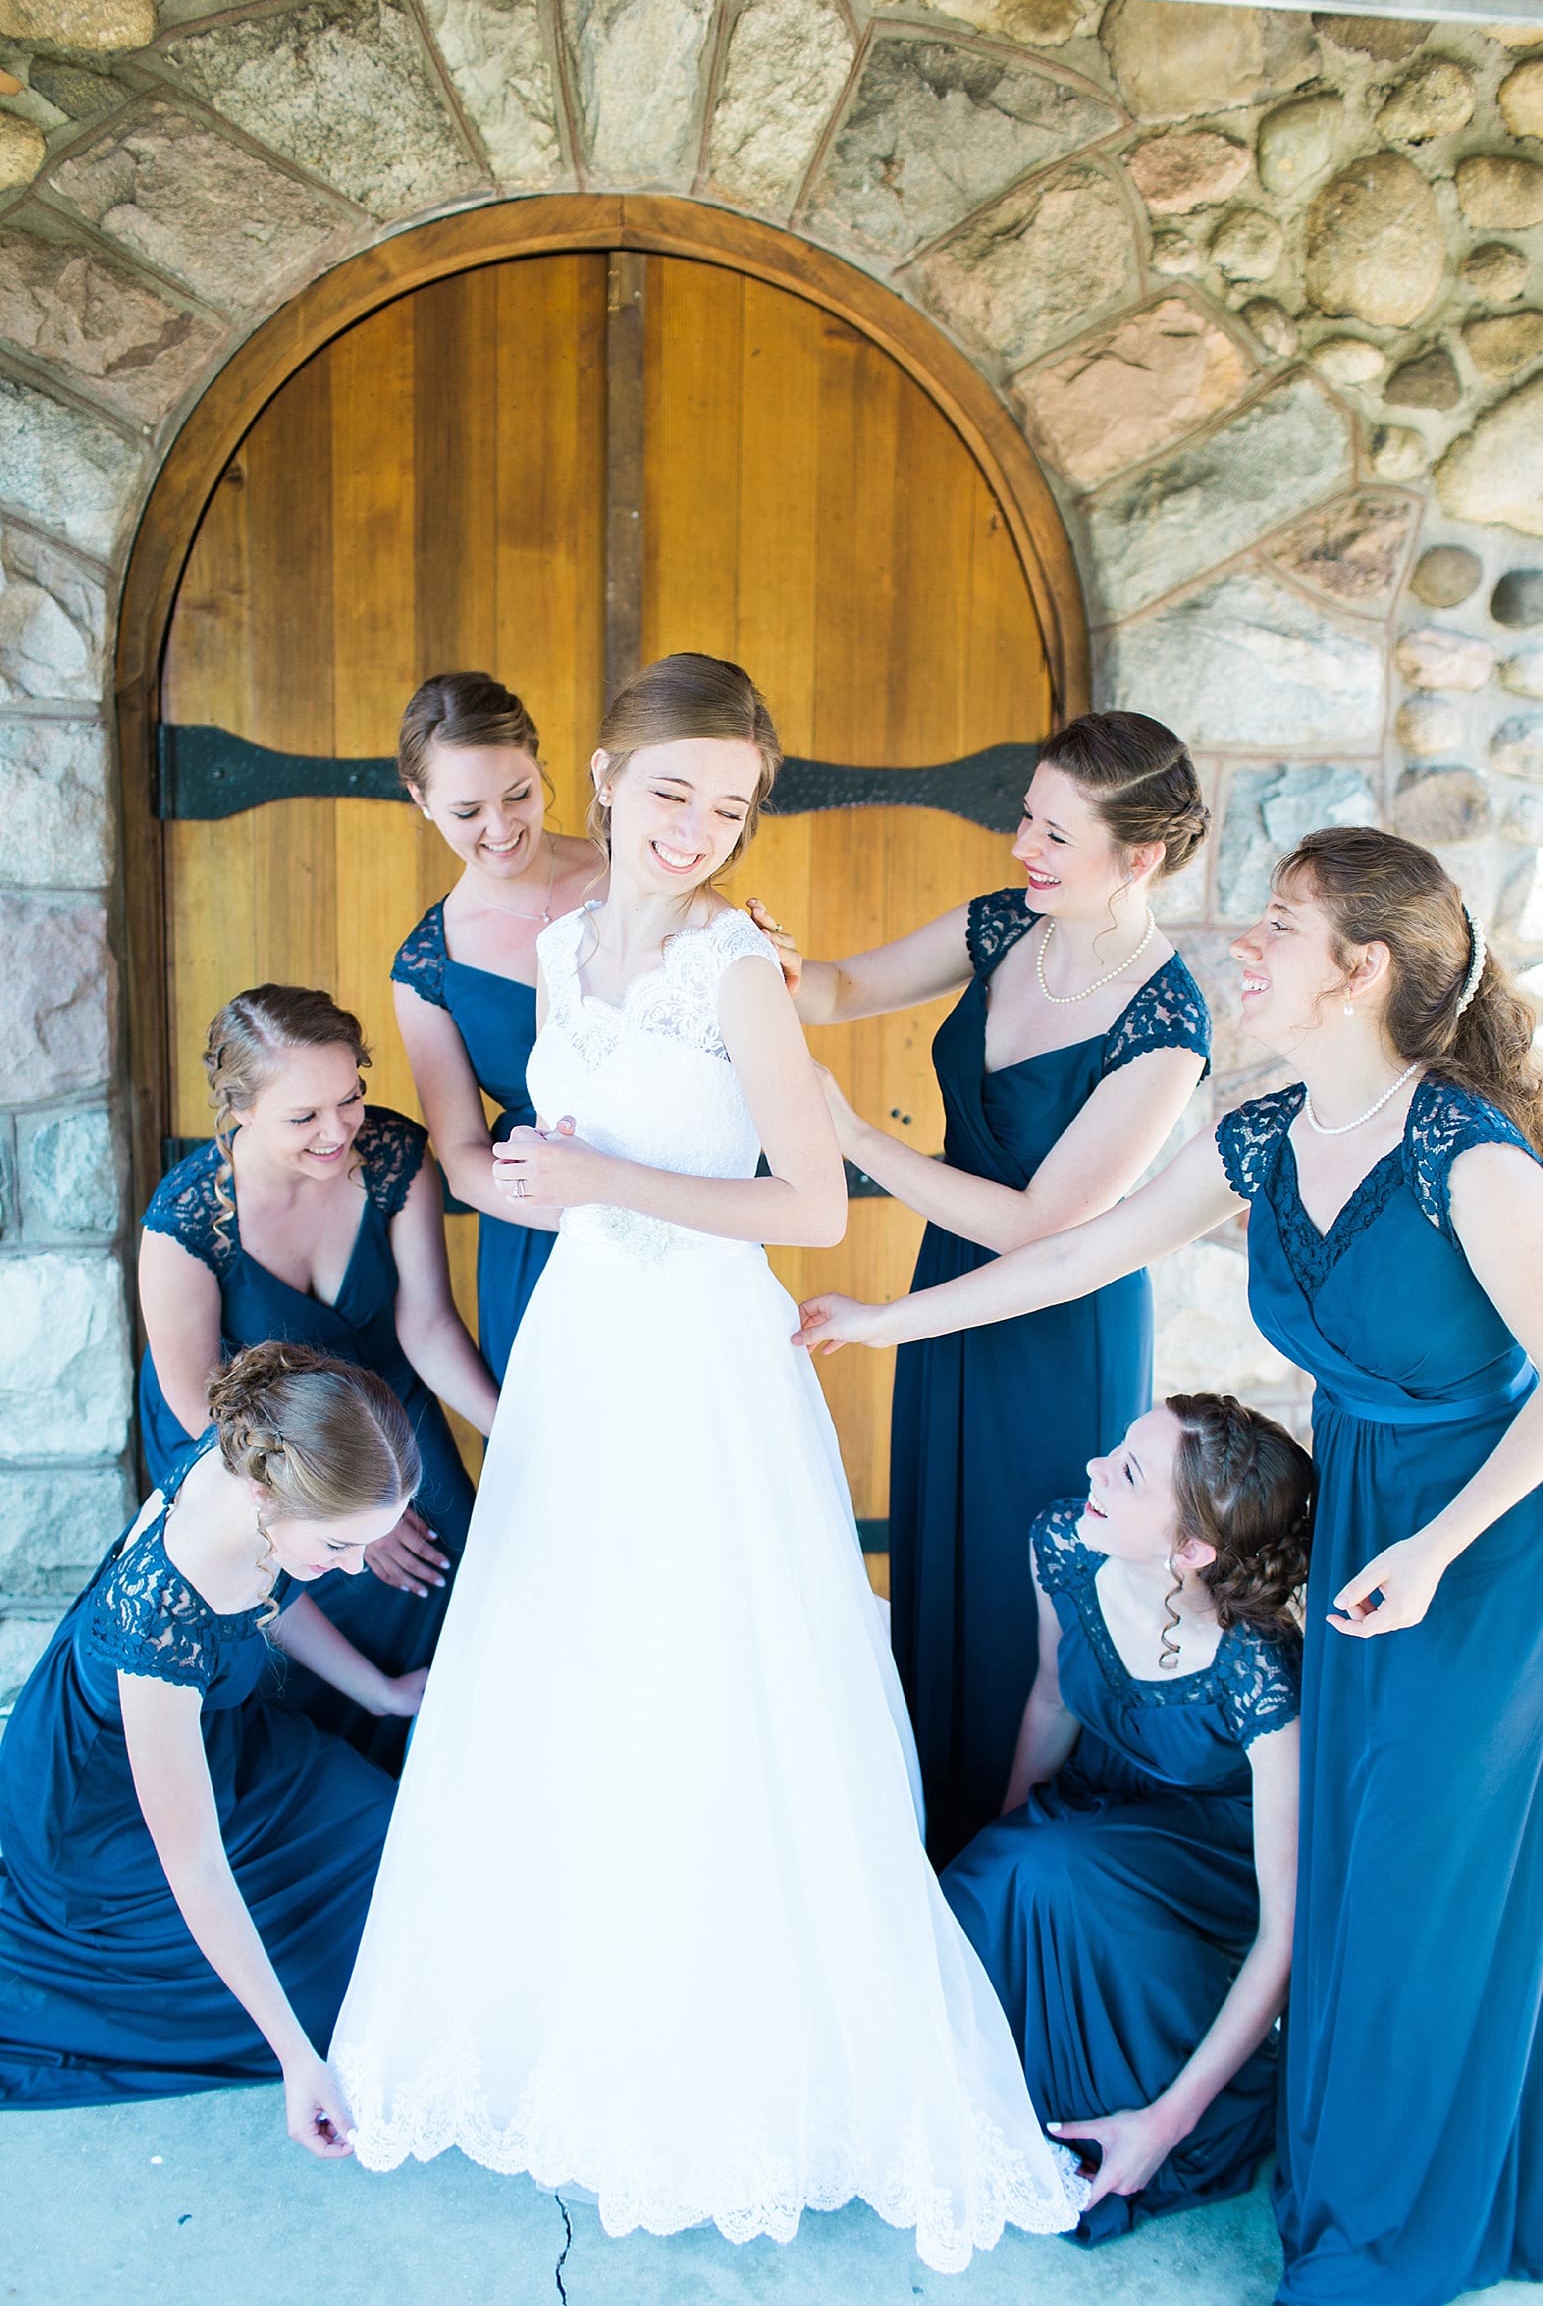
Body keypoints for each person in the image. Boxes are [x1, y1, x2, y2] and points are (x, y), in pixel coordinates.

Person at [329, 654, 1085, 2271]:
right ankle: (571, 2043)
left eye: (729, 806)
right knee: (572, 1675)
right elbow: (518, 1144)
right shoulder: (549, 945)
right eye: (671, 791)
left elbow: (807, 1209)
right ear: (605, 774)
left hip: (698, 1368)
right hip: (586, 1353)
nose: (695, 829)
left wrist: (599, 1177)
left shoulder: (738, 964)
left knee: (707, 1682)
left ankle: (726, 2071)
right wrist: (551, 1184)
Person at [798, 825, 1543, 2306]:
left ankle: (1391, 2236)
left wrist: (1433, 1545)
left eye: (1278, 926)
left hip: (1479, 1560)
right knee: (1343, 1876)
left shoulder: (1472, 1157)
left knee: (1414, 1883)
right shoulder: (1265, 1132)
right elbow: (1075, 1251)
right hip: (1362, 1533)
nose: (1243, 948)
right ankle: (1341, 2188)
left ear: (1361, 972)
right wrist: (887, 1322)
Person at [753, 712, 1211, 1860]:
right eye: (1025, 818)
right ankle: (923, 1835)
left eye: (1056, 833)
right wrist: (751, 949)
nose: (1024, 848)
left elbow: (1041, 1223)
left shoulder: (1169, 1024)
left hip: (1057, 1318)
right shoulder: (1006, 924)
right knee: (941, 1560)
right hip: (944, 1293)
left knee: (1029, 1592)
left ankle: (1003, 1853)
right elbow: (841, 984)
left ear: (1140, 857)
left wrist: (854, 1132)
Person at [0, 1342, 422, 2143]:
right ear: (265, 1498)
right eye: (340, 1546)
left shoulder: (266, 1452)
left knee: (397, 1848)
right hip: (104, 1818)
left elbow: (269, 1586)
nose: (360, 1569)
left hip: (217, 1741)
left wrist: (378, 1689)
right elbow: (191, 1865)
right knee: (336, 1994)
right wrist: (298, 2059)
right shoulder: (158, 1618)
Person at [943, 1394, 1312, 2244]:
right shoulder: (1063, 1542)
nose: (1092, 1470)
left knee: (1055, 1872)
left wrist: (1168, 2122)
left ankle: (1155, 2112)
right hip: (1090, 1808)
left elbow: (1285, 1935)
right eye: (1117, 1449)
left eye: (1127, 1472)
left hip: (1206, 1860)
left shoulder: (1258, 1673)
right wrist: (997, 1856)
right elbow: (1050, 1695)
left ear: (1190, 1548)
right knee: (992, 1887)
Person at [138, 986, 499, 1768]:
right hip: (252, 1447)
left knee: (452, 1567)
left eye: (350, 1098)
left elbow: (428, 1325)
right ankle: (318, 1800)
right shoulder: (184, 1223)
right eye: (303, 1116)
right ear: (237, 1107)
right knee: (311, 1604)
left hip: (383, 1403)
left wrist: (518, 1435)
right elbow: (196, 1403)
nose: (337, 1130)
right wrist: (346, 1508)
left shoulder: (395, 1155)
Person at [392, 673, 598, 1383]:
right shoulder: (428, 966)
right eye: (466, 810)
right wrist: (580, 1220)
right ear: (420, 800)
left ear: (540, 769)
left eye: (517, 794)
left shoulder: (636, 877)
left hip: (683, 1203)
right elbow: (461, 1153)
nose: (501, 827)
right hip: (542, 1236)